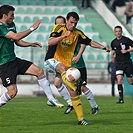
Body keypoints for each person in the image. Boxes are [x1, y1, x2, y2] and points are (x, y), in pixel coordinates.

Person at [44, 12, 110, 125]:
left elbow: (90, 42)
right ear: (66, 21)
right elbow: (50, 42)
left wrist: (102, 47)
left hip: (66, 67)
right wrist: (63, 36)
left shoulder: (78, 33)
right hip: (51, 61)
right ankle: (52, 98)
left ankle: (81, 119)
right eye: (71, 22)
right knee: (62, 68)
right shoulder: (59, 28)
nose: (73, 25)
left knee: (73, 92)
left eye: (75, 23)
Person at [0, 5, 64, 108]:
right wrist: (32, 28)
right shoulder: (0, 27)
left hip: (14, 60)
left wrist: (30, 44)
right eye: (12, 15)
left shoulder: (12, 24)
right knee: (12, 92)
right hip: (5, 64)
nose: (14, 17)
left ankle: (51, 99)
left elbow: (17, 41)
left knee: (39, 71)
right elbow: (16, 36)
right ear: (4, 15)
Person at [111, 25, 133, 103]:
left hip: (127, 63)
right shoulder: (113, 42)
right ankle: (121, 99)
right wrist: (112, 55)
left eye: (119, 31)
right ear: (114, 32)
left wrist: (127, 51)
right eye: (116, 31)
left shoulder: (126, 40)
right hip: (119, 64)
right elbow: (113, 50)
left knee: (130, 81)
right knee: (119, 80)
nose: (118, 33)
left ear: (121, 32)